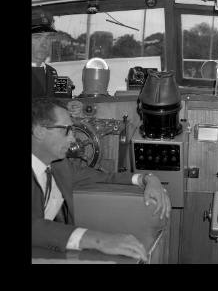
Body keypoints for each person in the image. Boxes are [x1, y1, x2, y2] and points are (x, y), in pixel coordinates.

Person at [32, 97, 172, 261]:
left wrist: (148, 179)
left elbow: (106, 177)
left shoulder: (60, 166)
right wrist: (99, 240)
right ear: (39, 131)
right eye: (66, 130)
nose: (72, 139)